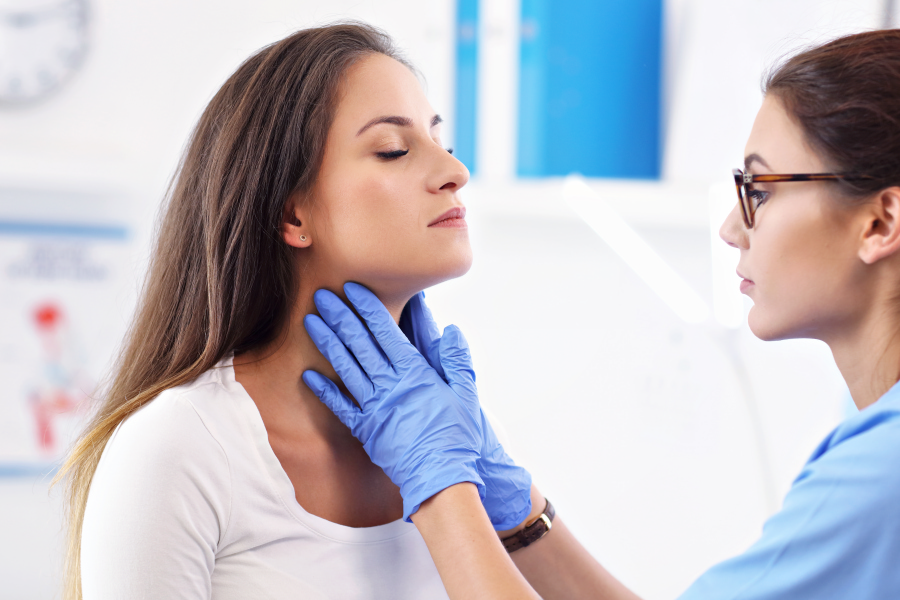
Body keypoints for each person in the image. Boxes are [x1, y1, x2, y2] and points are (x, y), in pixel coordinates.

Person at [304, 29, 900, 599]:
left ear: (880, 223)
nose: (730, 227)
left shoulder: (880, 474)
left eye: (760, 191)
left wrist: (440, 485)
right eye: (392, 151)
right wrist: (517, 510)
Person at [55, 22, 532, 600]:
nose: (456, 172)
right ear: (293, 216)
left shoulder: (448, 440)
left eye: (442, 143)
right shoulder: (181, 447)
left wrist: (478, 492)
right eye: (394, 149)